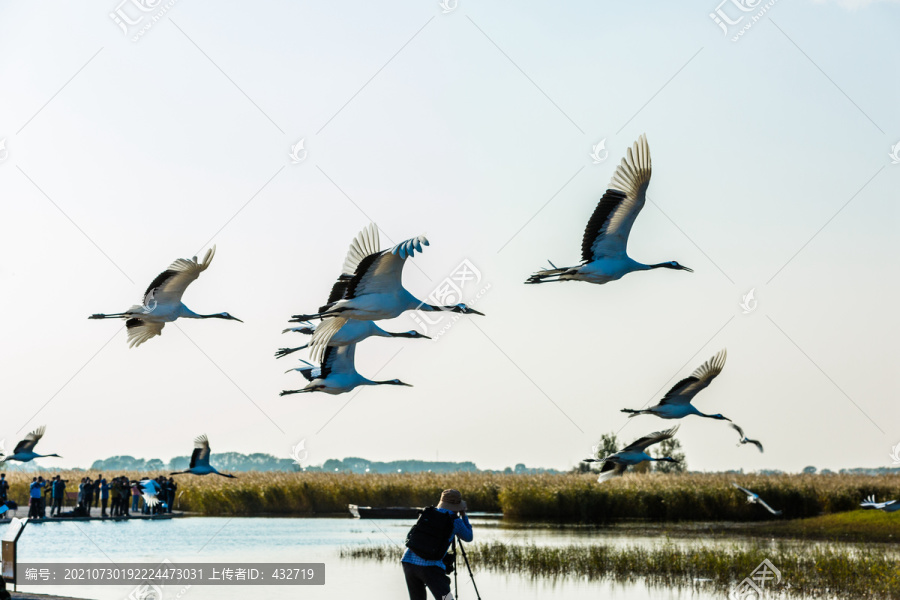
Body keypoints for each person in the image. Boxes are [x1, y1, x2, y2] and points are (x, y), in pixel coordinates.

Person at [402, 489, 473, 600]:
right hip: (430, 567)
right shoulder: (455, 521)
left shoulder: (427, 512)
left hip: (408, 561)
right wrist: (463, 515)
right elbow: (469, 537)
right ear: (458, 506)